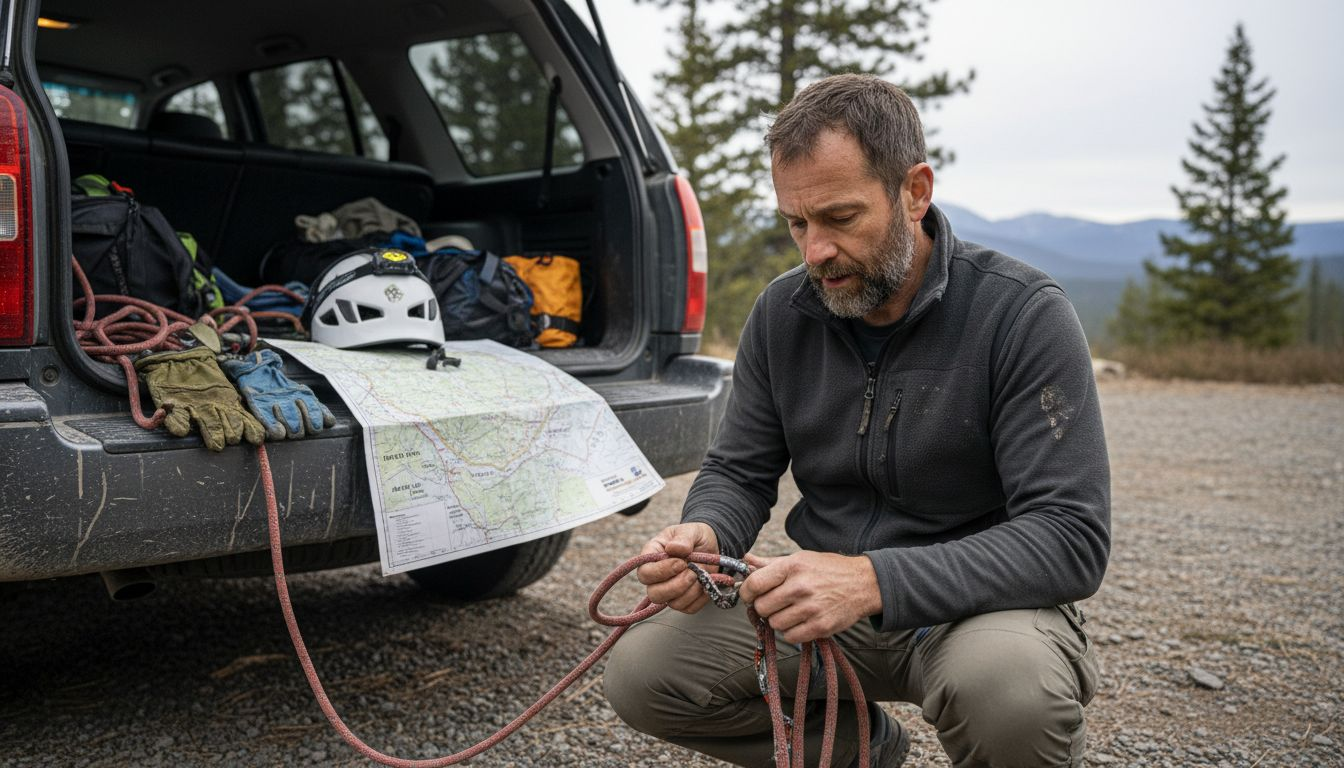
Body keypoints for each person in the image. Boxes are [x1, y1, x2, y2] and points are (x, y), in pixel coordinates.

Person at [603, 74, 1109, 768]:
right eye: (797, 223)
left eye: (840, 218)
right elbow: (738, 469)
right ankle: (862, 753)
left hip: (978, 608)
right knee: (645, 675)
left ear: (915, 192)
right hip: (825, 611)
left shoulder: (1021, 314)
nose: (815, 252)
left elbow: (1070, 536)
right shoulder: (782, 314)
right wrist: (707, 532)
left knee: (1011, 696)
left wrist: (872, 580)